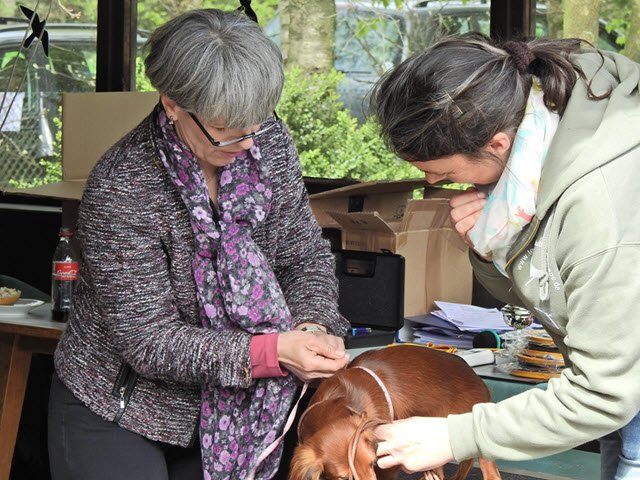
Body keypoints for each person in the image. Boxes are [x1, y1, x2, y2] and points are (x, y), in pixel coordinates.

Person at [47, 9, 350, 480]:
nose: (248, 142)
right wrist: (272, 352)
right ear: (172, 104)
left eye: (257, 122)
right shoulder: (123, 186)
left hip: (237, 409)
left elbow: (301, 254)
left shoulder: (266, 142)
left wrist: (311, 324)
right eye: (227, 126)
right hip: (122, 408)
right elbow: (150, 342)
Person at [369, 33, 640, 480]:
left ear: (496, 144)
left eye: (442, 172)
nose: (437, 184)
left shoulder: (600, 208)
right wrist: (489, 249)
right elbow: (547, 291)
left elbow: (603, 394)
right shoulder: (541, 146)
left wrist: (452, 437)